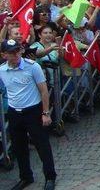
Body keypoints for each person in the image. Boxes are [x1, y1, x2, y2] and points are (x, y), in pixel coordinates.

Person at [0, 39, 56, 190]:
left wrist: (45, 113)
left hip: (33, 111)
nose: (16, 54)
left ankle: (50, 177)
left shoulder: (33, 67)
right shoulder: (2, 70)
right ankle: (25, 177)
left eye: (18, 50)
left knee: (42, 145)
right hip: (14, 112)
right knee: (19, 147)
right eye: (12, 52)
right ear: (4, 55)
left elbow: (43, 91)